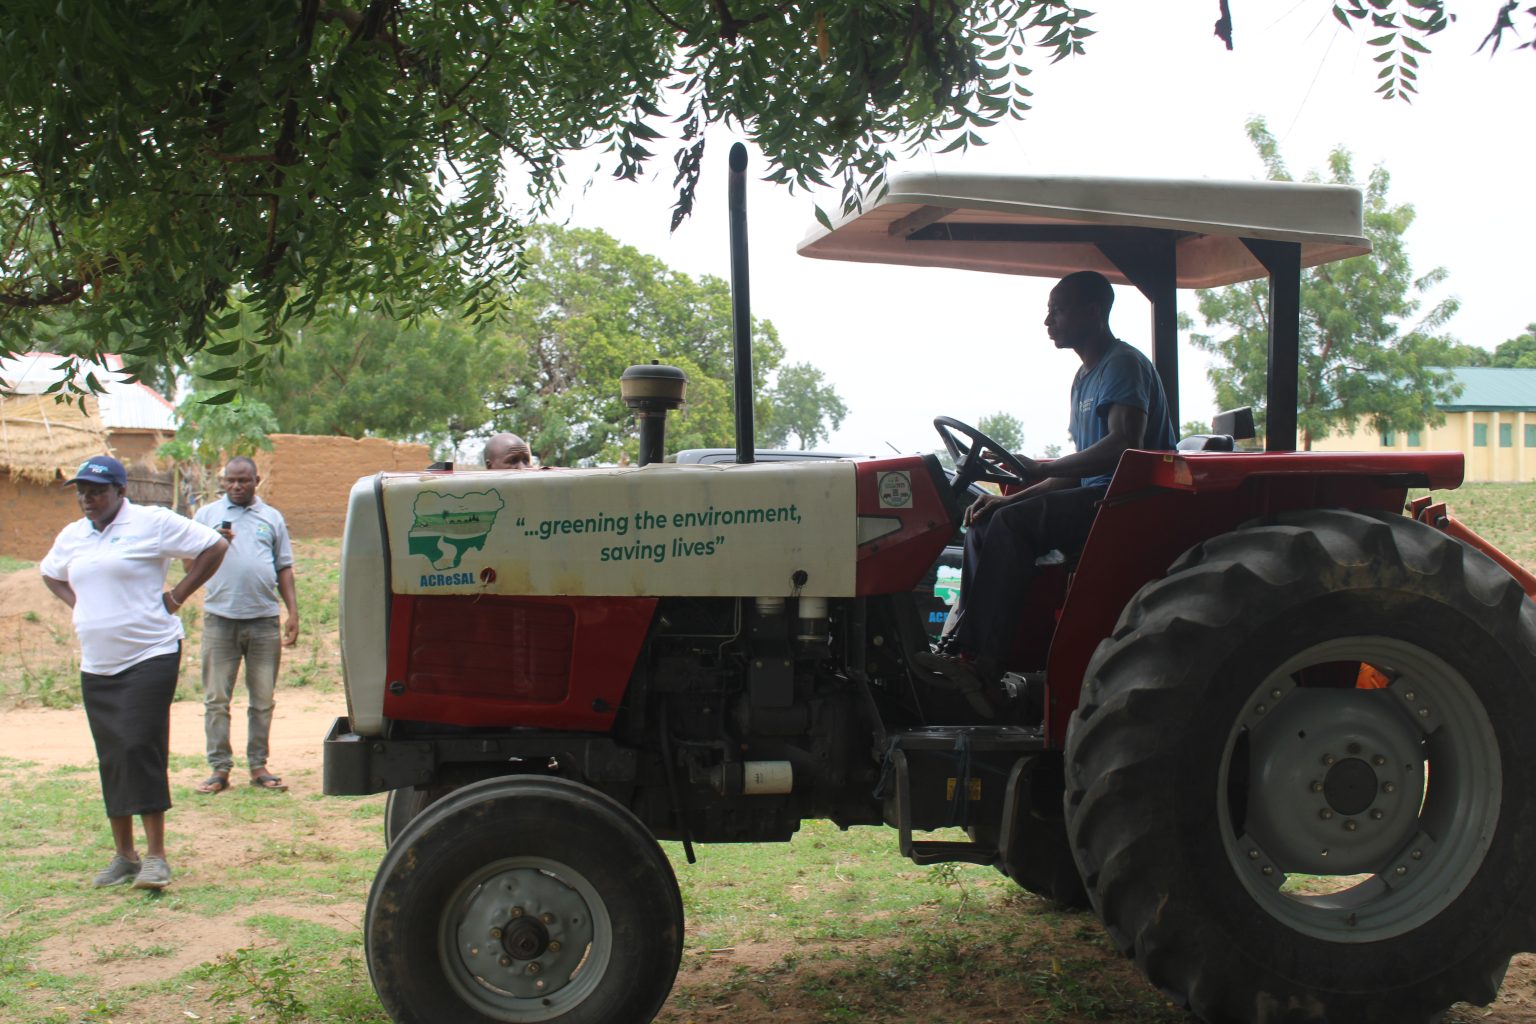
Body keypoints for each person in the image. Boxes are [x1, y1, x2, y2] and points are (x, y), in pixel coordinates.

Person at [917, 271, 1176, 708]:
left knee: (1013, 526)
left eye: (1057, 309)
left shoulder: (1123, 365)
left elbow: (1122, 447)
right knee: (989, 520)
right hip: (1095, 496)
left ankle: (986, 665)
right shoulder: (1084, 377)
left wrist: (1041, 468)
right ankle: (963, 650)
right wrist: (1009, 496)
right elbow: (1072, 476)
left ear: (1092, 312)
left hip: (1131, 502)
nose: (1047, 321)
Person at [40, 455, 228, 890]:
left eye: (97, 491)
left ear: (121, 492)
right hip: (98, 663)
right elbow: (50, 573)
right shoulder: (73, 536)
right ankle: (124, 855)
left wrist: (177, 596)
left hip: (150, 652)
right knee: (112, 753)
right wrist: (80, 606)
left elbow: (214, 545)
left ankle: (156, 856)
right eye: (82, 491)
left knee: (139, 743)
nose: (87, 499)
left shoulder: (151, 522)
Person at [192, 455, 299, 795]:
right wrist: (211, 541)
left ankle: (258, 765)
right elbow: (187, 565)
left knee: (263, 699)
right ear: (222, 481)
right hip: (219, 621)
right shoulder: (206, 516)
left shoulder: (272, 518)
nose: (237, 486)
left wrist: (292, 612)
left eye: (244, 481)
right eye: (231, 481)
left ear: (256, 481)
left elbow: (284, 567)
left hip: (264, 621)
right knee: (216, 699)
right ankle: (219, 769)